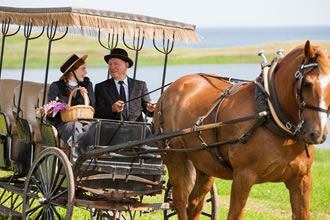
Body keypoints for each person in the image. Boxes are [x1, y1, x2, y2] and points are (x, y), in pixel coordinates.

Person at [95, 48, 155, 121]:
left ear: (126, 65)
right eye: (110, 64)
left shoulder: (140, 86)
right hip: (111, 130)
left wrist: (151, 109)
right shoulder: (101, 87)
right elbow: (97, 113)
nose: (112, 67)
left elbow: (148, 111)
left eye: (116, 64)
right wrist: (112, 109)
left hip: (136, 130)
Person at [47, 54, 96, 146]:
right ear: (71, 72)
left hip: (84, 122)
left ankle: (87, 149)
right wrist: (61, 108)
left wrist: (85, 96)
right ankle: (78, 147)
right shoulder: (57, 86)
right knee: (72, 126)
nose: (86, 72)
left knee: (92, 127)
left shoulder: (87, 85)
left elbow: (92, 107)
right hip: (64, 123)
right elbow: (51, 110)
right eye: (83, 69)